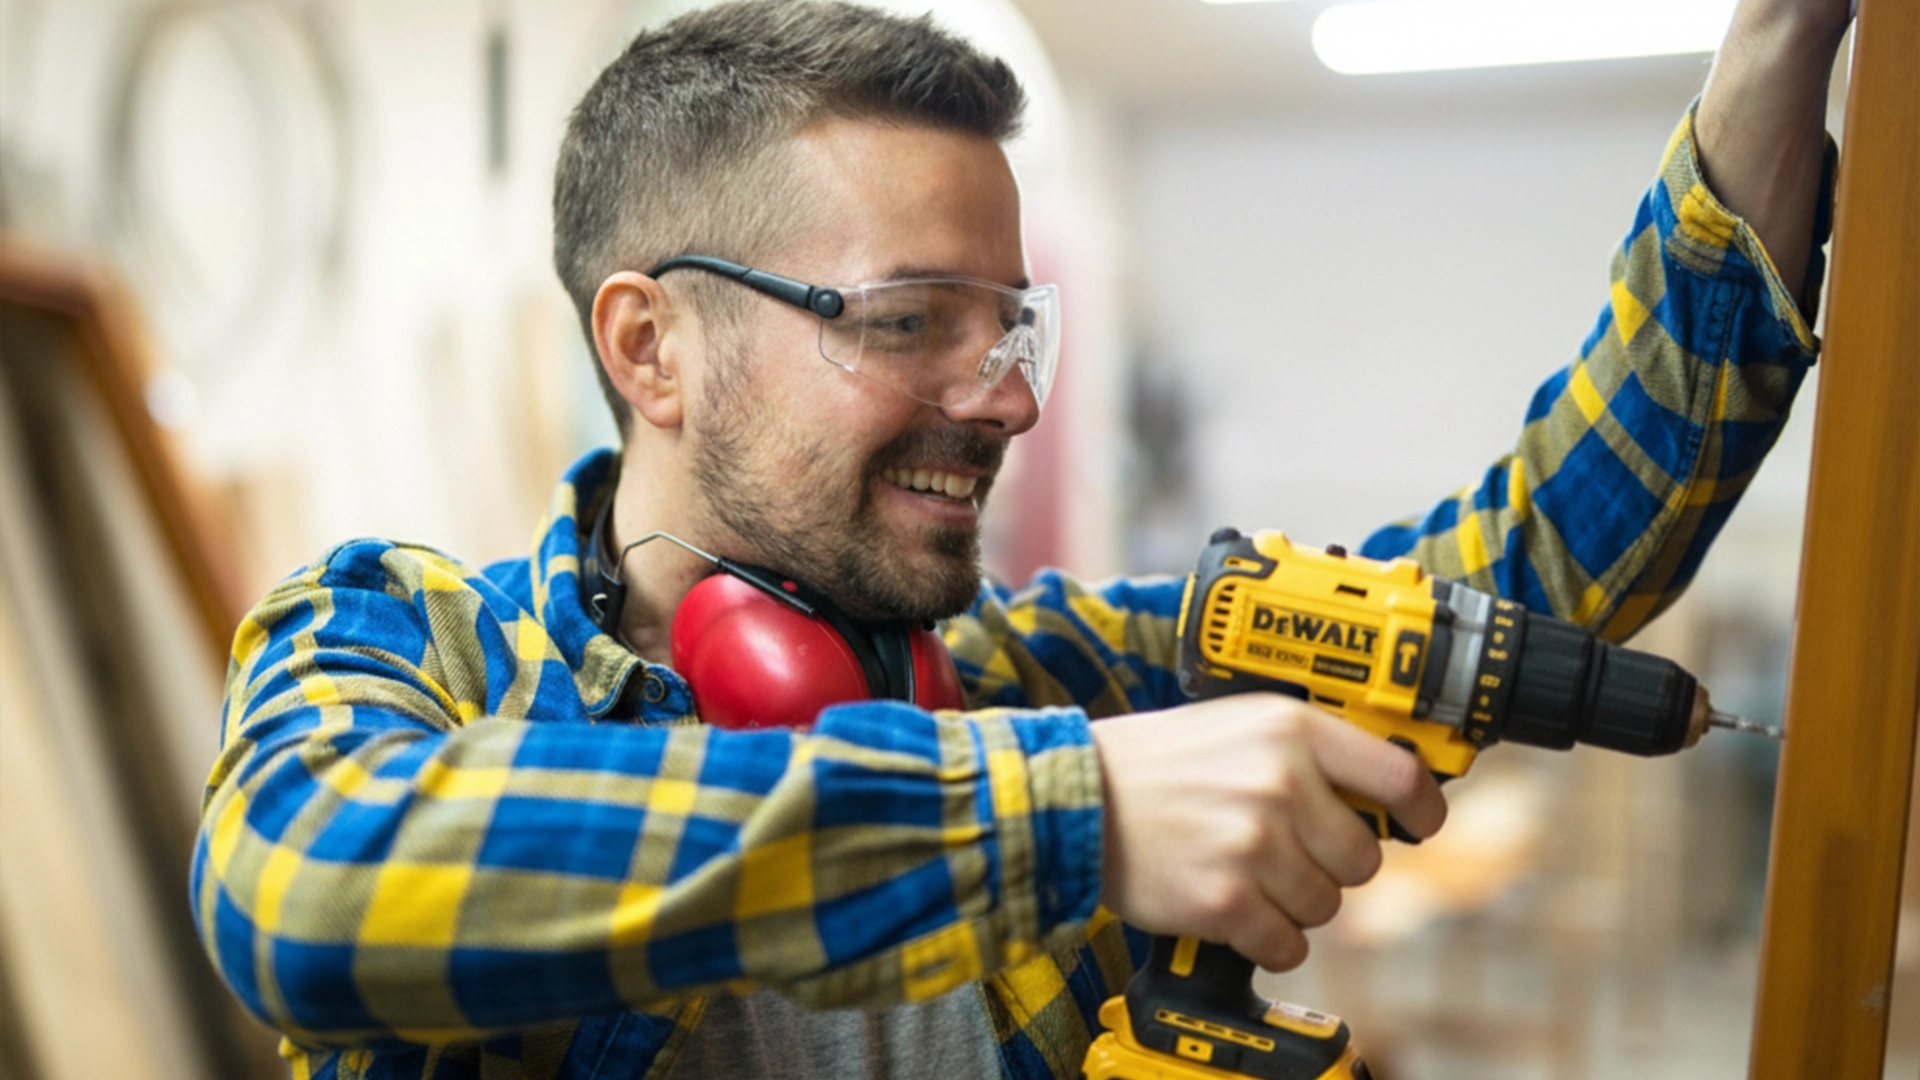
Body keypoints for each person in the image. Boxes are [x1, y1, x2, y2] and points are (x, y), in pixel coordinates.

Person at [189, 0, 1848, 1076]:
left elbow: (1526, 569)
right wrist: (1073, 812)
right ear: (649, 347)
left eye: (1012, 330)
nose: (1004, 402)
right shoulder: (416, 647)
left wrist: (1778, 47)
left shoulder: (1019, 669)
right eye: (912, 322)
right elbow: (307, 889)